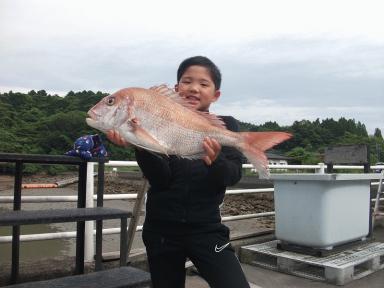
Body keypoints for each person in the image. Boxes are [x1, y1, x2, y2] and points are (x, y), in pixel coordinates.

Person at [107, 56, 250, 288]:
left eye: (204, 84)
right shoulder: (160, 121)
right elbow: (161, 179)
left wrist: (215, 160)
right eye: (186, 82)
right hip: (161, 229)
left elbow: (231, 176)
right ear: (176, 88)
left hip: (207, 230)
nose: (194, 88)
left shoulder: (225, 126)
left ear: (215, 95)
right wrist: (139, 143)